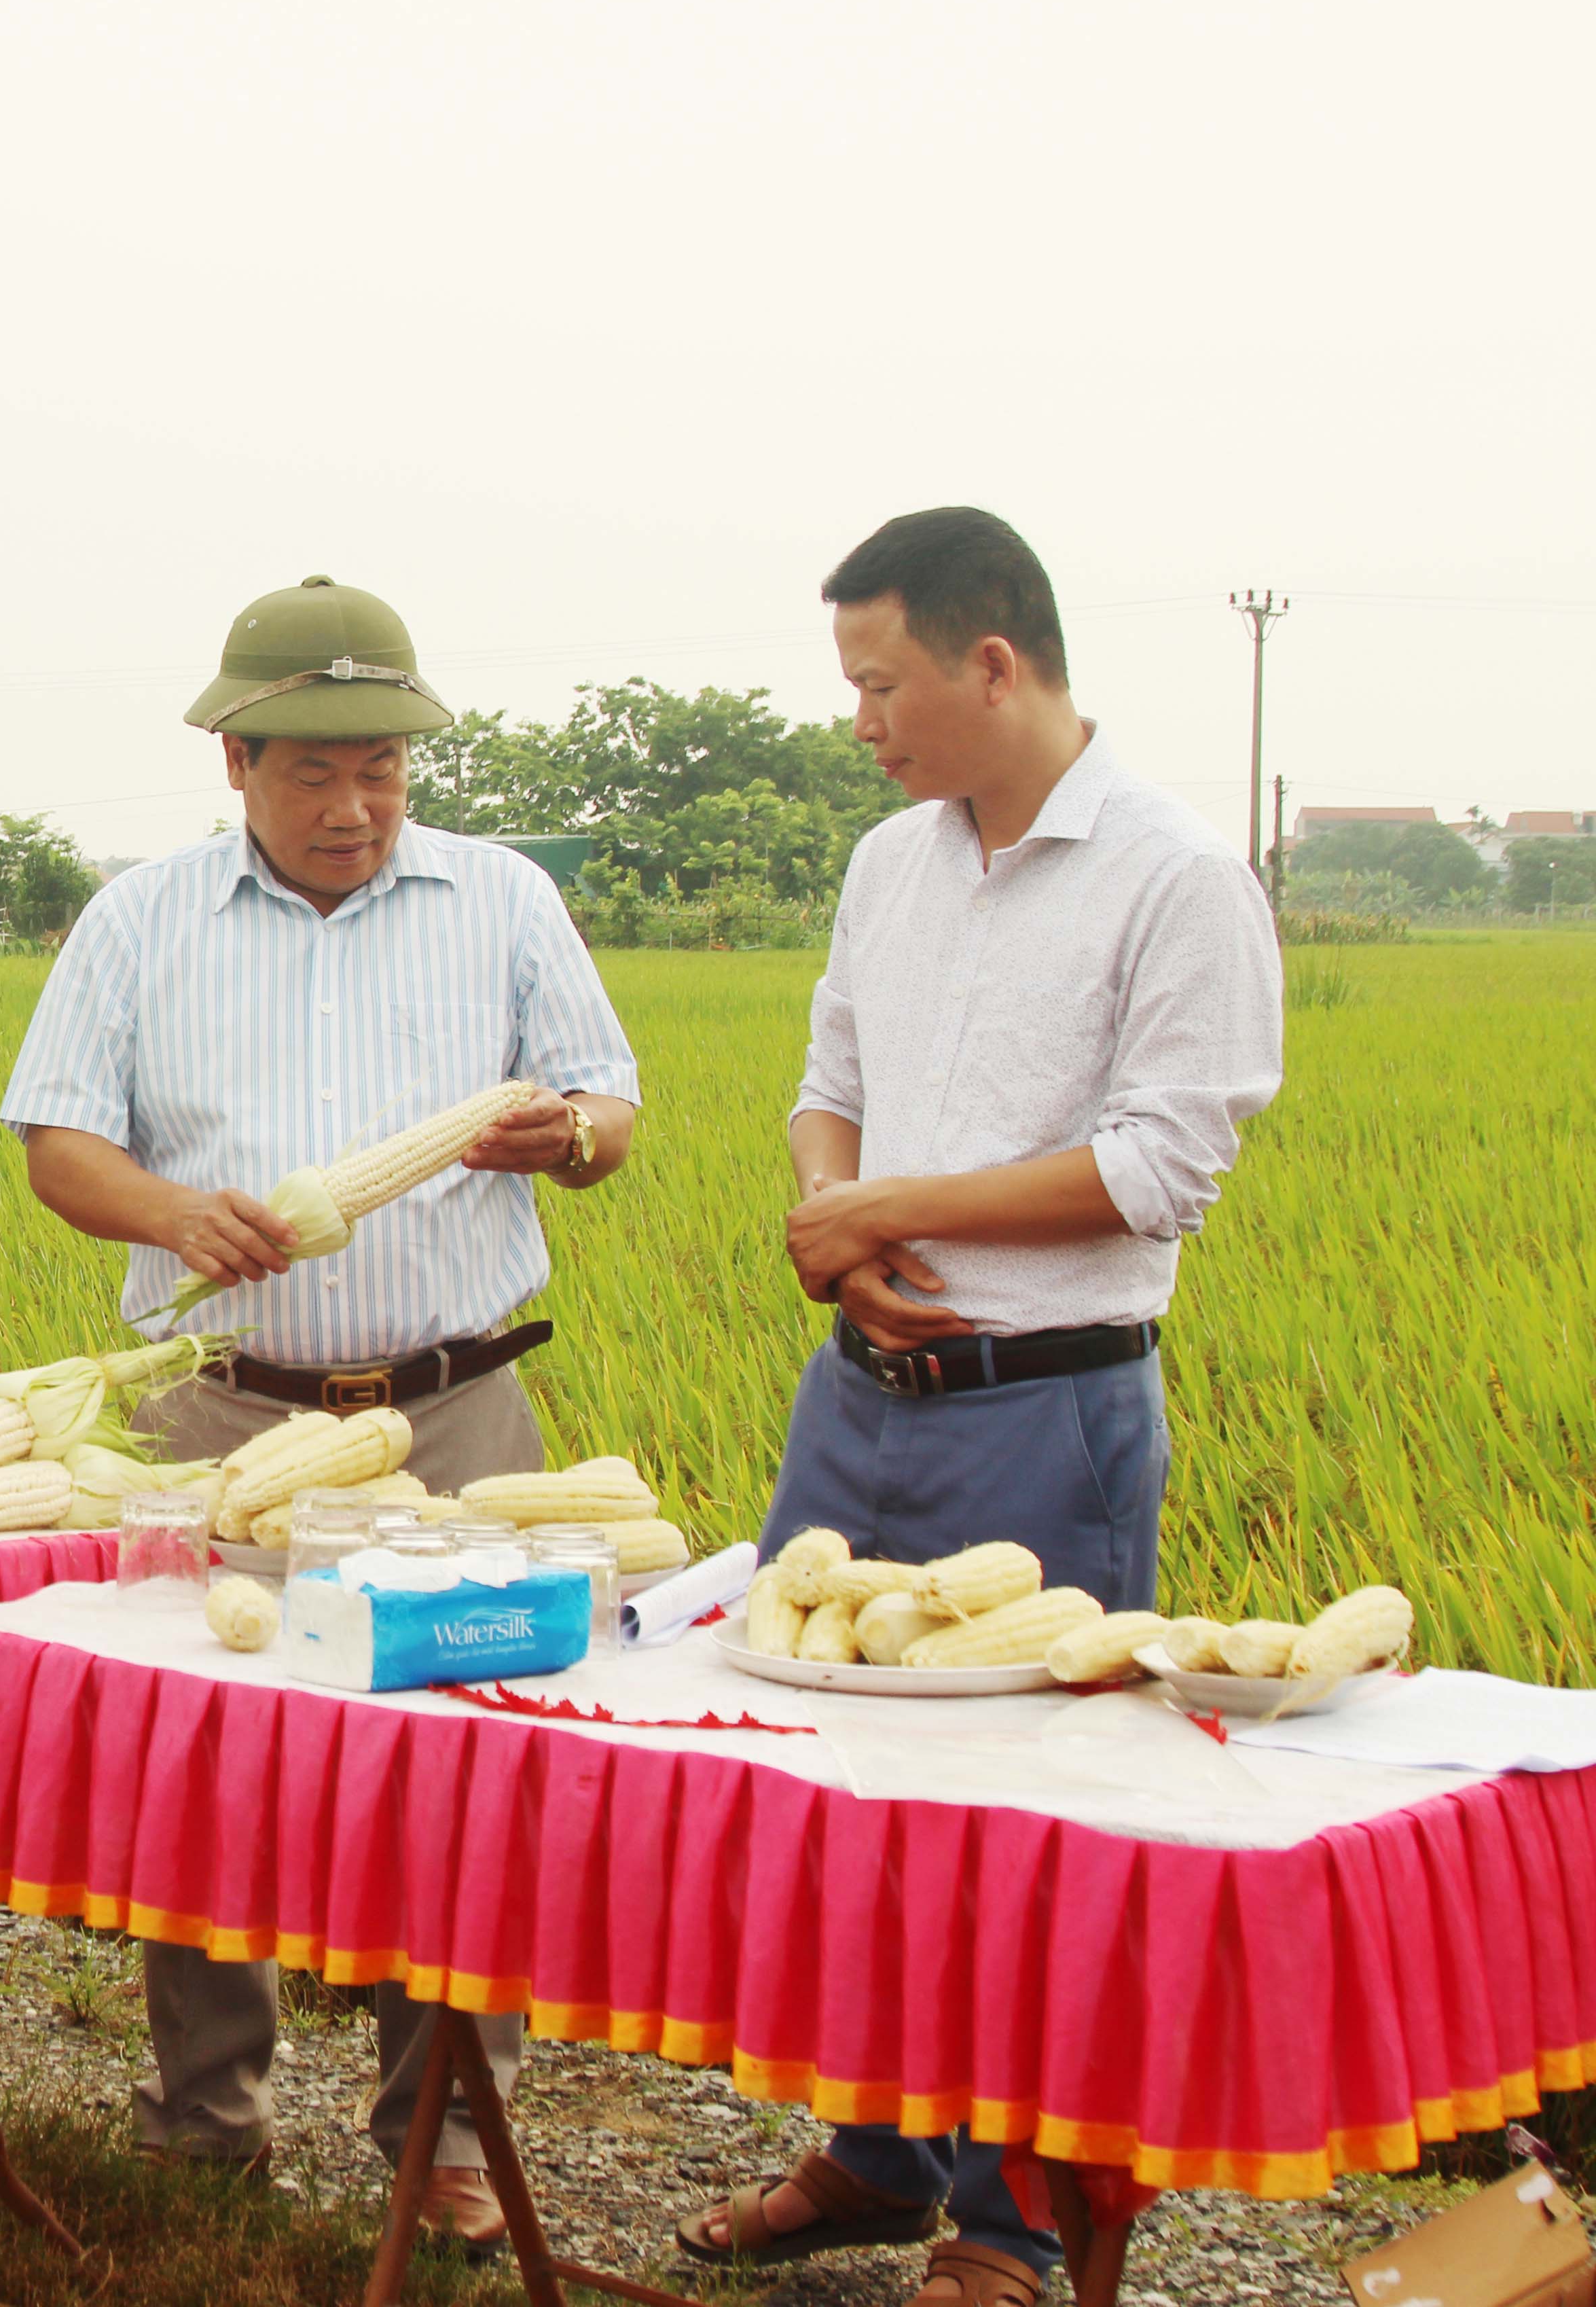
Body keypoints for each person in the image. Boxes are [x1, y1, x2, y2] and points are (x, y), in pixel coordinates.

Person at [678, 509, 1282, 2307]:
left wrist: (895, 1209)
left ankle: (1011, 2226)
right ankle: (872, 2156)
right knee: (841, 1796)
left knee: (1032, 1819)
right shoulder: (892, 864)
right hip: (856, 1393)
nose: (861, 720)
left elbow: (1165, 1164)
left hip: (1047, 1408)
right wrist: (839, 1214)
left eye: (880, 683)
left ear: (990, 663)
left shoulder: (1175, 878)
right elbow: (828, 1080)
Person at [1, 573, 640, 2242]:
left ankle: (437, 2128)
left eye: (383, 769)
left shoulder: (500, 899)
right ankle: (203, 2112)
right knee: (203, 1756)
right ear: (234, 762)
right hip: (227, 1411)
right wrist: (167, 1215)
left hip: (455, 1413)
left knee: (466, 1762)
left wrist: (562, 1136)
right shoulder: (140, 918)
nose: (353, 807)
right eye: (312, 772)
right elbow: (56, 1141)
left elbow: (612, 1105)